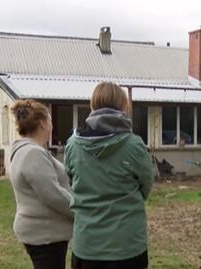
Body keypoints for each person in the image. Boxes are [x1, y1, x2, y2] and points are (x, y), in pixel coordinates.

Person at [64, 82, 154, 269]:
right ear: (124, 106)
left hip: (87, 245)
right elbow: (145, 187)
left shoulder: (72, 145)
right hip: (127, 246)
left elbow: (72, 182)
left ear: (92, 106)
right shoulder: (134, 146)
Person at [9, 99, 74, 269]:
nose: (52, 126)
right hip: (45, 235)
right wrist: (82, 210)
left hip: (44, 233)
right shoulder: (33, 154)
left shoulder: (26, 150)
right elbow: (53, 194)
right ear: (43, 124)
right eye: (51, 121)